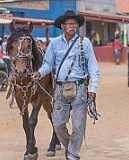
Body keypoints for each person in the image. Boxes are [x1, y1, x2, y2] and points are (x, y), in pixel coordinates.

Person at [33, 10, 100, 160]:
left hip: (80, 88)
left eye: (74, 24)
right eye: (69, 24)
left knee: (78, 125)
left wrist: (93, 88)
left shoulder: (85, 42)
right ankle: (71, 147)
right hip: (60, 89)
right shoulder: (54, 44)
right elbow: (48, 64)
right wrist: (39, 73)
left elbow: (93, 68)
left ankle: (73, 155)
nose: (72, 26)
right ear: (62, 26)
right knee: (57, 124)